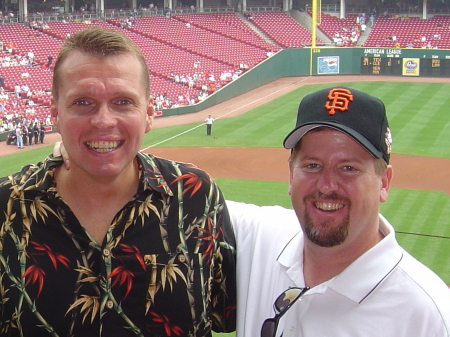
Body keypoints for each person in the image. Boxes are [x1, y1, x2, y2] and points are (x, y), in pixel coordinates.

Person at [0, 27, 236, 337]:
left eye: (123, 102)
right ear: (55, 115)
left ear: (149, 114)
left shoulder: (196, 196)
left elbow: (225, 314)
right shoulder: (6, 205)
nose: (103, 121)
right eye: (83, 102)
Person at [227, 87, 450, 337]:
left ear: (384, 183)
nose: (326, 185)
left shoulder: (429, 318)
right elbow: (179, 193)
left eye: (348, 168)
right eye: (312, 165)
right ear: (291, 174)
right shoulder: (257, 236)